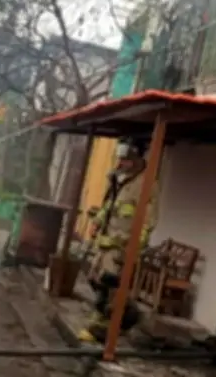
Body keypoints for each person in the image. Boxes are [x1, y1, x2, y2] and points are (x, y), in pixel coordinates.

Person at [78, 140, 160, 343]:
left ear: (136, 160)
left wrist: (134, 248)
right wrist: (97, 221)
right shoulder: (119, 180)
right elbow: (110, 205)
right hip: (105, 244)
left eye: (125, 159)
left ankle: (105, 329)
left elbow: (148, 222)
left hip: (121, 248)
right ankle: (107, 319)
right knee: (96, 280)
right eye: (120, 158)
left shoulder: (146, 184)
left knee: (111, 286)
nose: (120, 162)